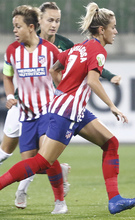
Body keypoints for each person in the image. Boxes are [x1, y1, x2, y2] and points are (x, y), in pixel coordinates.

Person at [0, 2, 135, 214]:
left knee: (111, 143)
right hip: (67, 112)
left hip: (72, 109)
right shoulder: (99, 51)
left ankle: (115, 200)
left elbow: (54, 68)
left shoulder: (80, 46)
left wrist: (64, 90)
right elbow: (93, 81)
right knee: (40, 162)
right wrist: (113, 107)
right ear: (102, 30)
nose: (116, 31)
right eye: (113, 27)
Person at [2, 5, 68, 214]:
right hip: (26, 115)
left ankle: (60, 202)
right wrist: (11, 96)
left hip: (48, 113)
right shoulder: (12, 51)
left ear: (31, 27)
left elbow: (65, 68)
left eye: (18, 26)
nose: (14, 30)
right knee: (31, 164)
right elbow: (7, 76)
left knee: (45, 158)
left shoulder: (49, 50)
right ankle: (61, 172)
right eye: (14, 26)